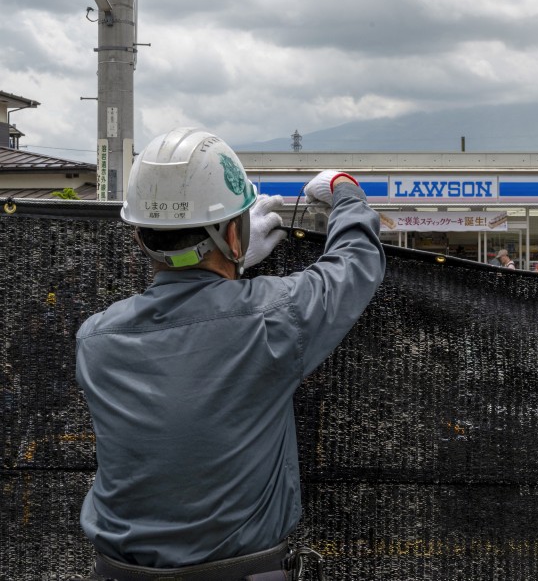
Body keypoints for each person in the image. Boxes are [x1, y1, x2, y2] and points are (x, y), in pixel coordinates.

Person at [74, 128, 386, 580]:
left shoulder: (95, 340)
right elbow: (356, 262)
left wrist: (229, 267)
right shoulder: (274, 318)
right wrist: (343, 189)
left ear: (141, 236)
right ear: (233, 236)